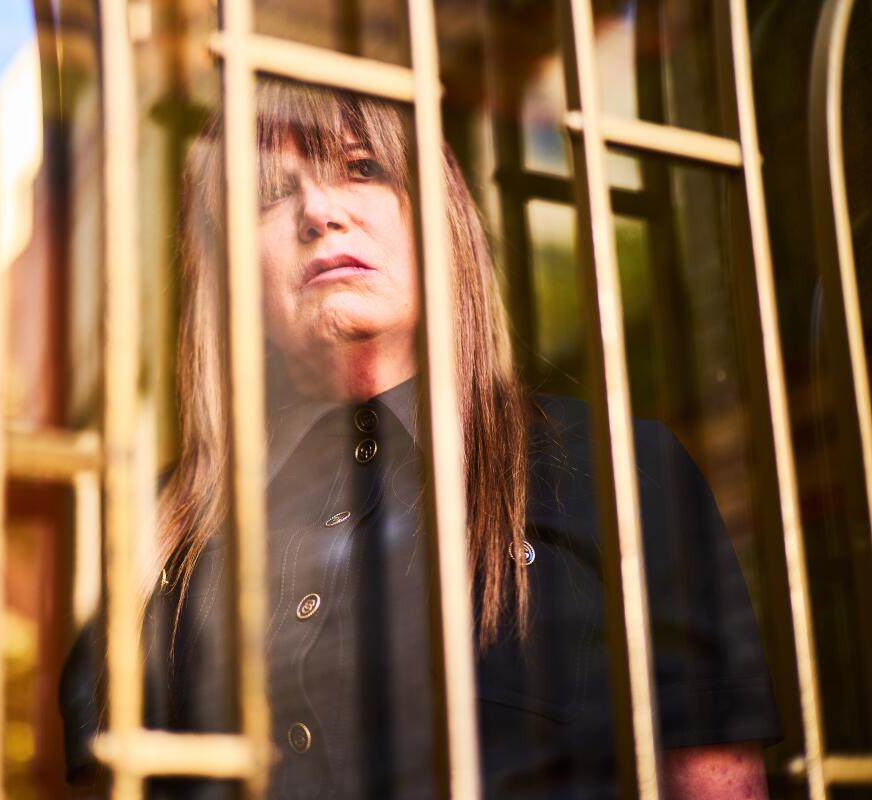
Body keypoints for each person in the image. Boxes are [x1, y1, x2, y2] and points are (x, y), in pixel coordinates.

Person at [61, 80, 779, 799]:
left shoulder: (623, 469)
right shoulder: (158, 534)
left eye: (361, 167)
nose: (319, 211)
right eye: (268, 196)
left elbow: (715, 785)